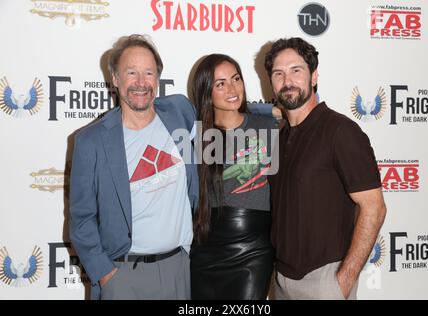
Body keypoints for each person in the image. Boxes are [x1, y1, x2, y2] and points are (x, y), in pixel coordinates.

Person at [69, 34, 198, 300]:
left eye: (148, 73)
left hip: (178, 270)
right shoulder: (91, 141)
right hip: (123, 275)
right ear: (115, 79)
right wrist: (106, 274)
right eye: (132, 73)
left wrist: (275, 112)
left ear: (158, 79)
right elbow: (81, 219)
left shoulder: (179, 113)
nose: (141, 83)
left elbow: (225, 114)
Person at [264, 37, 387, 300]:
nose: (287, 81)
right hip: (281, 280)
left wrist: (344, 279)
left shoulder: (340, 131)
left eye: (296, 71)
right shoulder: (280, 137)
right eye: (278, 74)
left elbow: (374, 207)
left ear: (314, 75)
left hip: (324, 282)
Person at [189, 54, 276, 299]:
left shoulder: (268, 127)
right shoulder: (196, 136)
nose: (232, 88)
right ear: (207, 91)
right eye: (221, 83)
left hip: (253, 250)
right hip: (205, 250)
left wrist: (269, 109)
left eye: (236, 79)